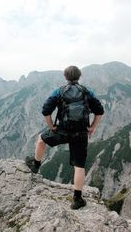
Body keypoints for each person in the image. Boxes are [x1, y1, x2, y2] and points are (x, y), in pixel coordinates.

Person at [25, 65, 104, 209]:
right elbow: (100, 111)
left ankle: (35, 165)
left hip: (62, 130)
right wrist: (92, 127)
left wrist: (51, 127)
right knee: (79, 166)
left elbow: (45, 110)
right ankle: (77, 199)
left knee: (41, 139)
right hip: (81, 133)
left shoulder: (59, 92)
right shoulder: (87, 92)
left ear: (65, 77)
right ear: (79, 77)